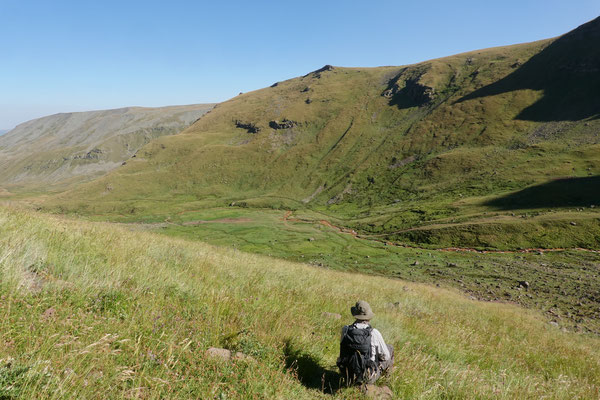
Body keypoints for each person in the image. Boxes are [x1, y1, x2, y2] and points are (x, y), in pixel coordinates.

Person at [336, 300, 394, 385]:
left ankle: (349, 380)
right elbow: (386, 357)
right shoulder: (374, 333)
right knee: (390, 348)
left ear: (355, 315)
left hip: (347, 374)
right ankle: (386, 382)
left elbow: (342, 350)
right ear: (369, 317)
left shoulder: (345, 330)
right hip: (367, 377)